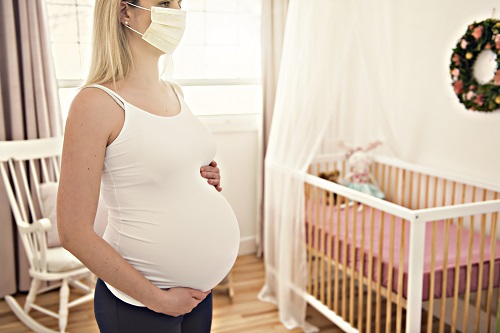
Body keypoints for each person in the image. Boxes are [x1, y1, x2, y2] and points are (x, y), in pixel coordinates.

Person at [56, 1, 240, 332]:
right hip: (140, 303)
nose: (178, 13)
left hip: (198, 293)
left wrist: (200, 178)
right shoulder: (95, 104)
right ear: (125, 12)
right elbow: (73, 233)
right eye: (165, 3)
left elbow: (164, 166)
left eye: (180, 4)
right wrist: (158, 300)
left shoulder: (174, 92)